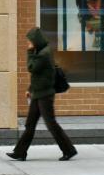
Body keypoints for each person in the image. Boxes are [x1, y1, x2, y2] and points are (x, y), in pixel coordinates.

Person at [6, 27, 77, 163]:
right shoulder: (41, 51)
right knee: (30, 124)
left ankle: (69, 150)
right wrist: (30, 88)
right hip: (38, 93)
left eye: (30, 41)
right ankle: (20, 152)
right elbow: (38, 75)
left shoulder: (43, 54)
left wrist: (29, 51)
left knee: (51, 124)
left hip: (45, 95)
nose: (29, 44)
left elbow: (31, 68)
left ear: (36, 41)